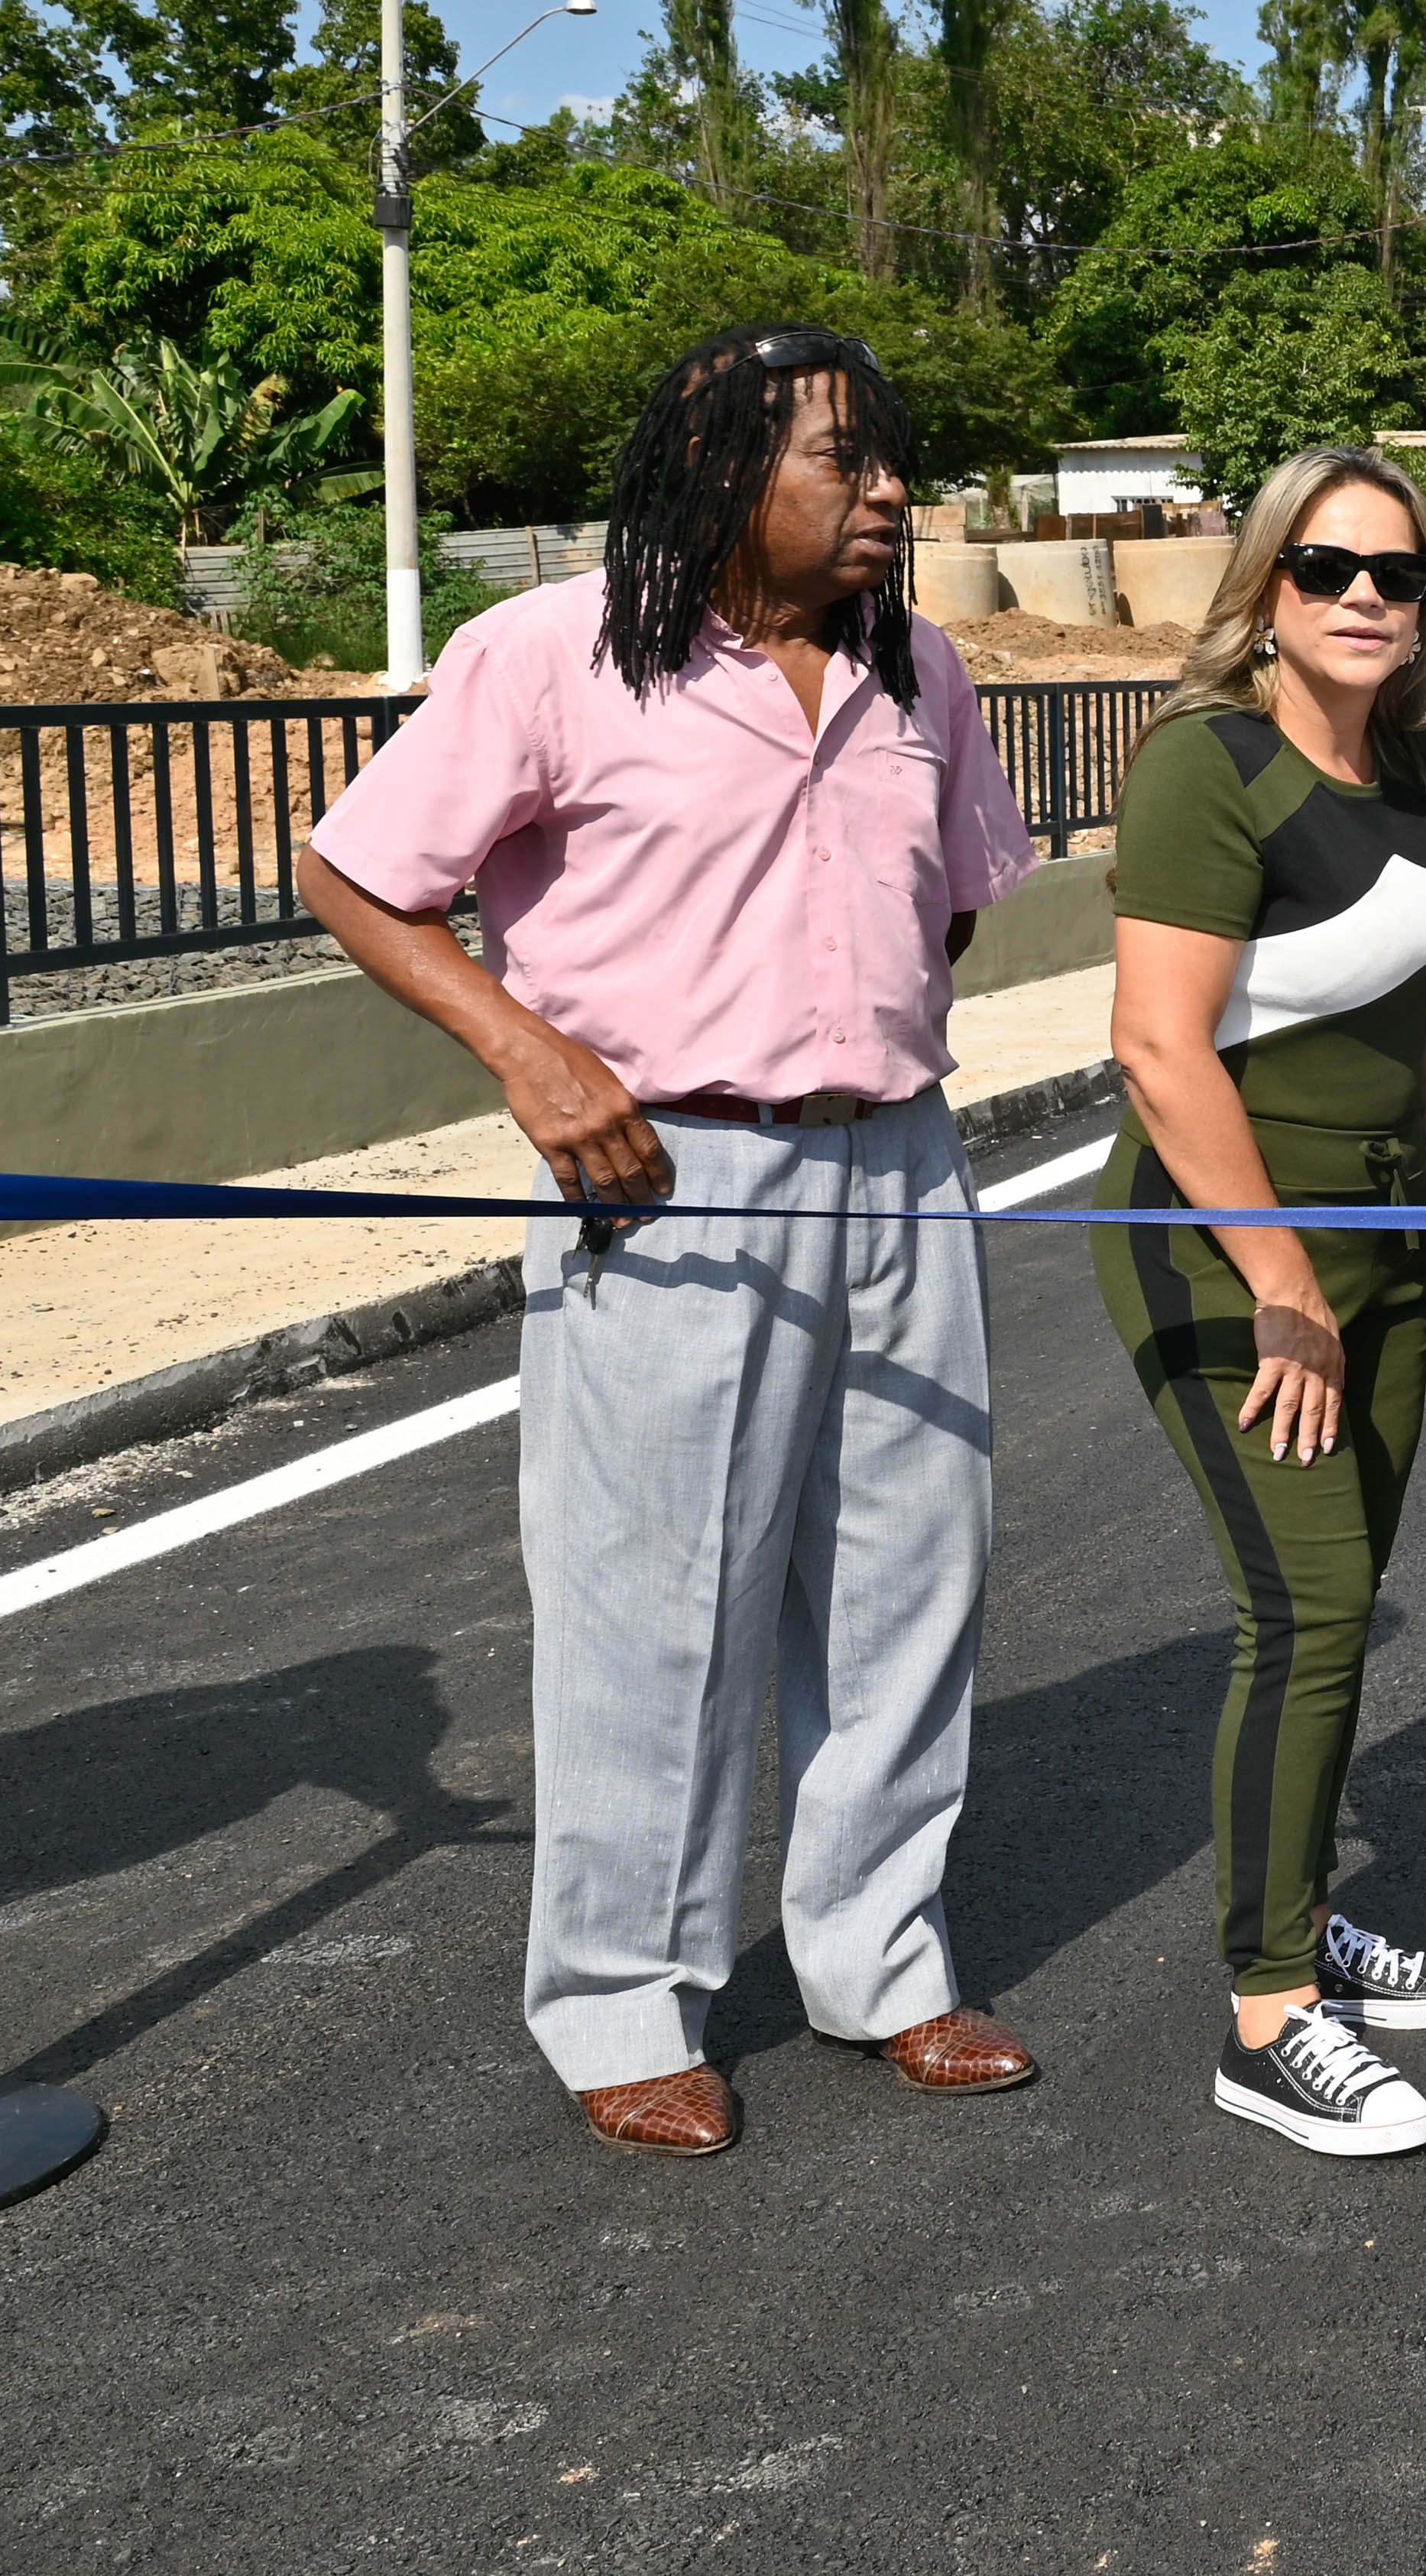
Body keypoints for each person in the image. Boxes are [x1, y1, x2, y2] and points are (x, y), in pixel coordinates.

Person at [301, 324, 1040, 2156]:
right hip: (665, 1180)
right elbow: (354, 872)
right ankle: (627, 1991)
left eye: (894, 463)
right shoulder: (552, 652)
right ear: (720, 466)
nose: (888, 493)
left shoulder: (920, 669)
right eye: (843, 461)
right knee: (659, 1606)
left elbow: (950, 911)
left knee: (901, 1586)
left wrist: (846, 1056)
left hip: (897, 1163)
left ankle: (880, 1952)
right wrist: (535, 1053)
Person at [1099, 446, 1426, 2156]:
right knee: (1310, 1611)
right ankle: (1268, 2011)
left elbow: (1408, 1019)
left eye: (1398, 575)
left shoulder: (1415, 770)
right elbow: (1157, 1043)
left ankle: (1304, 1915)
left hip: (1392, 1234)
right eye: (1329, 565)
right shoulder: (1215, 762)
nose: (1364, 595)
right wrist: (1282, 1284)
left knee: (1338, 1606)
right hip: (1236, 1247)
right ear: (1266, 584)